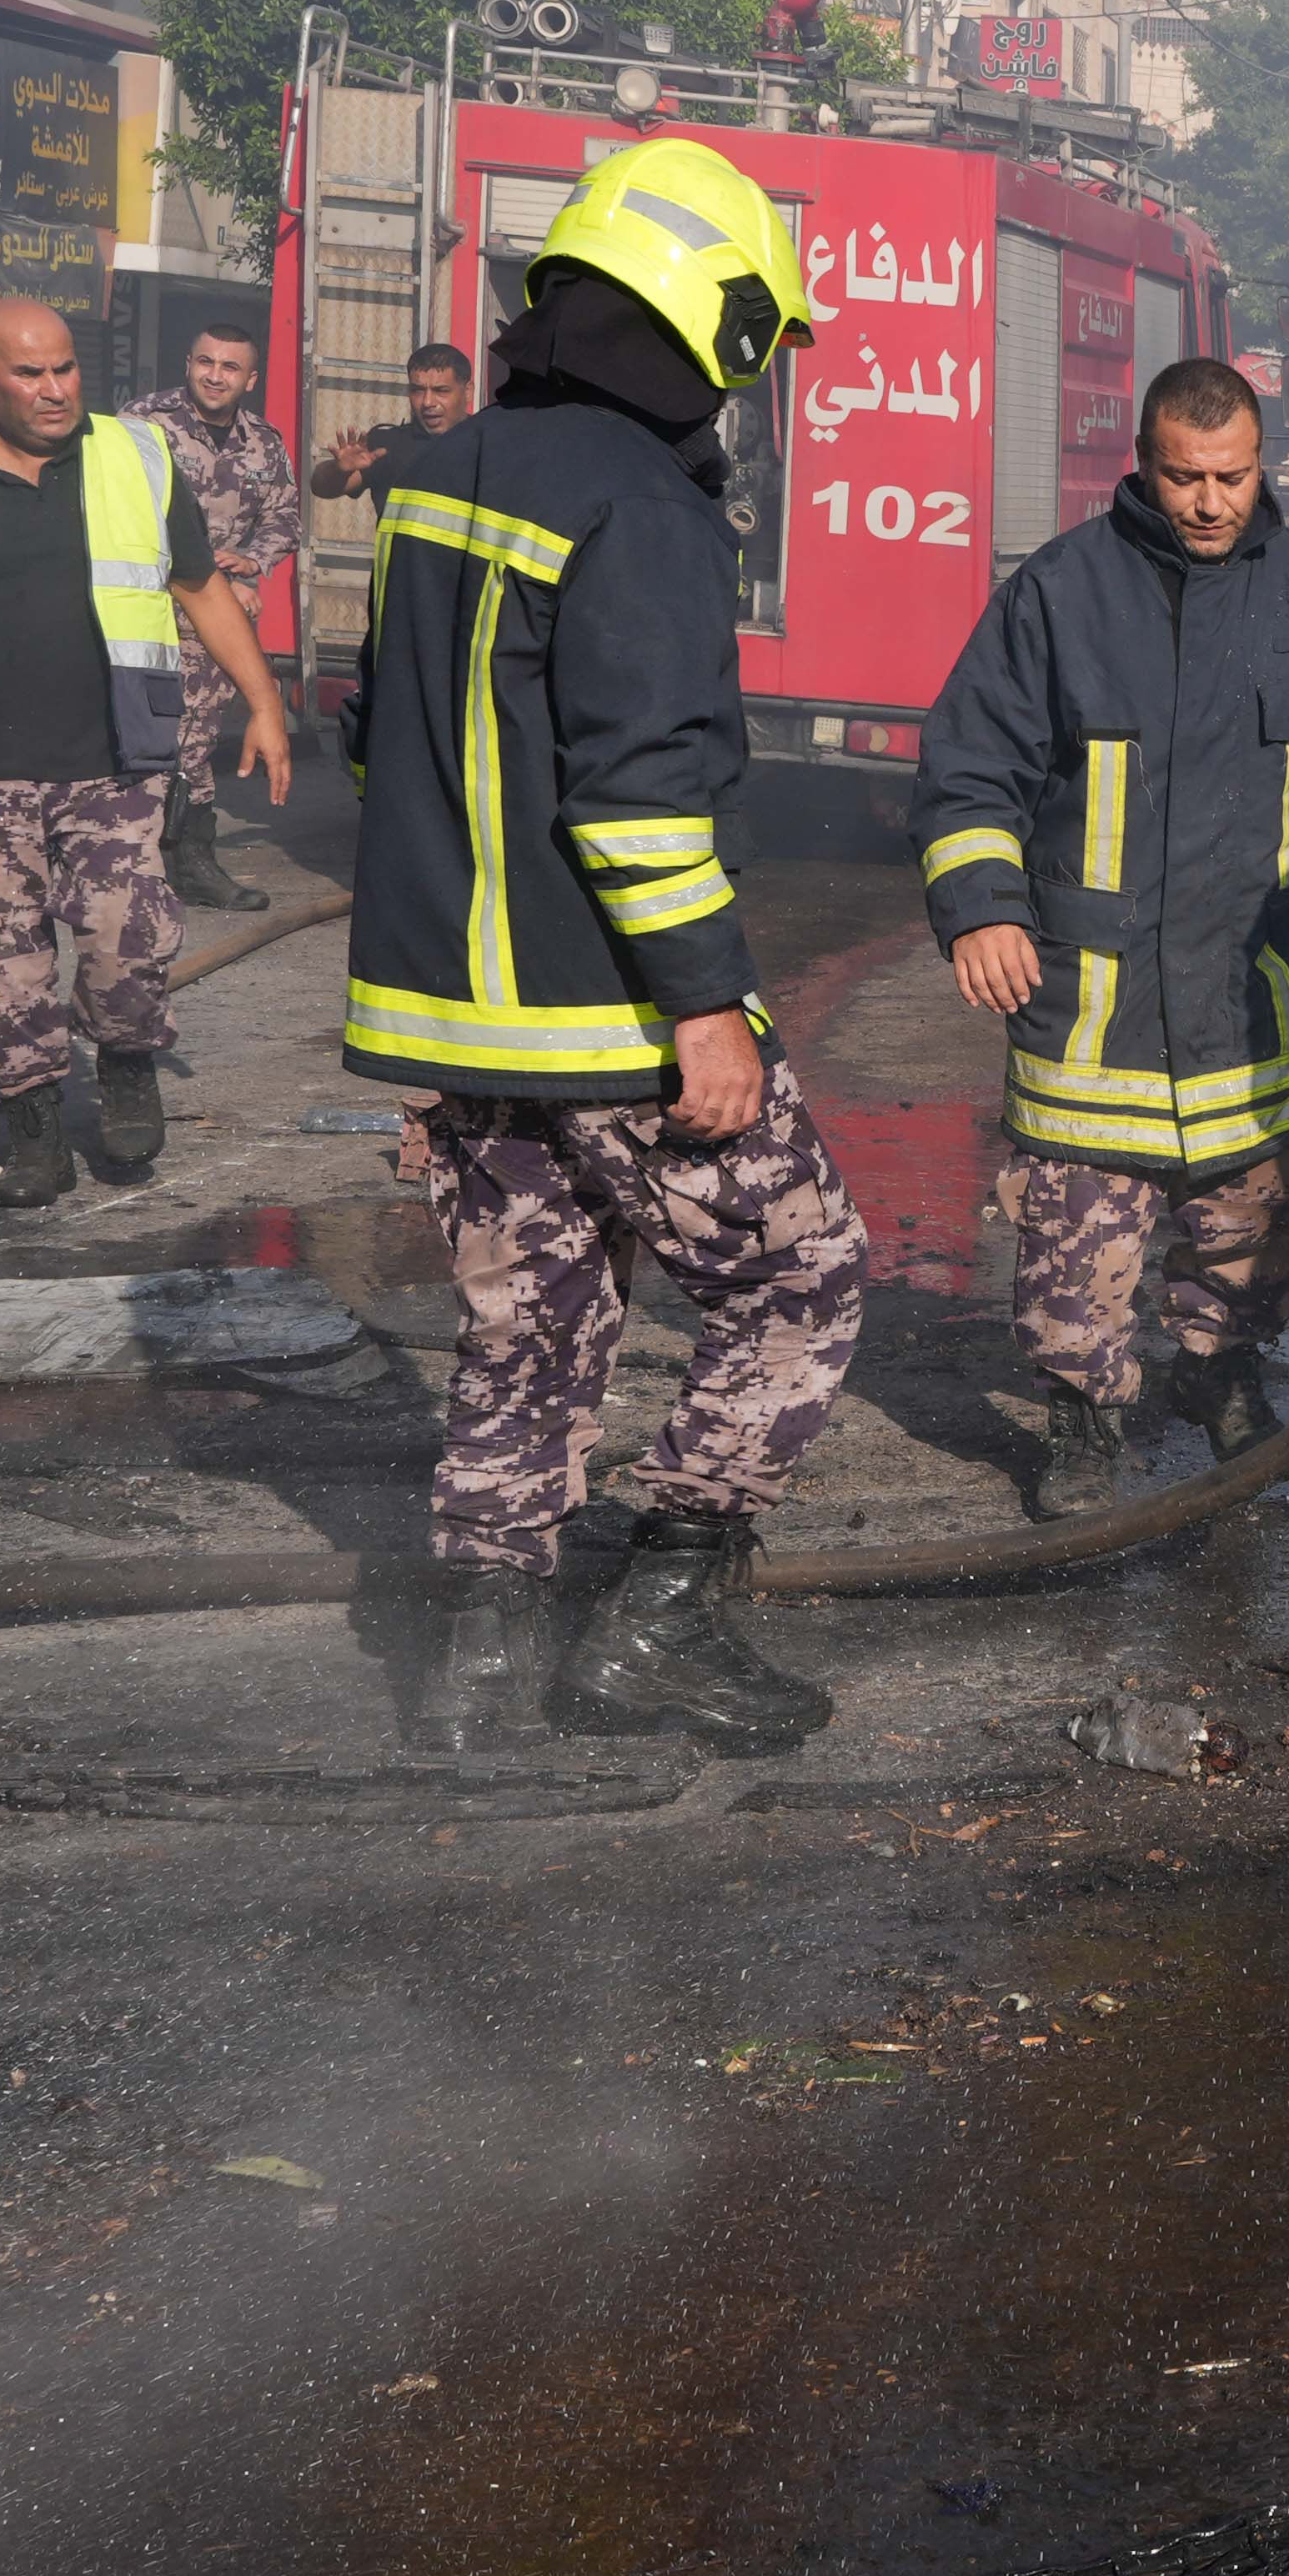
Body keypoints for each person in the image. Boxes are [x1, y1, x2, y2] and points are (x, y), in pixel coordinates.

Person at [339, 137, 866, 1757]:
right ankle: (658, 1621)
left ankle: (479, 1673)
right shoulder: (645, 505)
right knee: (803, 1278)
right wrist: (708, 1005)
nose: (755, 380)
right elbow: (641, 791)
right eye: (755, 343)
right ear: (701, 320)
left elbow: (386, 738)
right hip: (613, 1013)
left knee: (528, 1321)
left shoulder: (436, 469)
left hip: (454, 1014)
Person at [910, 359, 1289, 1519]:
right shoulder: (1062, 593)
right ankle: (1087, 1421)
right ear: (1142, 464)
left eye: (1231, 478)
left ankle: (1219, 1374)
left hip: (1259, 992)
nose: (1209, 503)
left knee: (1268, 1215)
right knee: (1076, 1234)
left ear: (1260, 466)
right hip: (1097, 997)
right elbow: (970, 767)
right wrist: (982, 908)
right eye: (1185, 478)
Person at [0, 297, 290, 1208]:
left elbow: (201, 589)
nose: (54, 390)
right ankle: (35, 1128)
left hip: (115, 762)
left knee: (128, 940)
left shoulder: (135, 456)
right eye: (29, 373)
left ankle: (125, 1065)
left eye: (66, 368)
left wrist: (265, 702)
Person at [120, 314, 304, 913]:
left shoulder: (264, 442)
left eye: (229, 367)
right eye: (205, 362)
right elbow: (116, 516)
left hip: (216, 629)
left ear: (250, 378)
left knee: (196, 742)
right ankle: (124, 863)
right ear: (188, 365)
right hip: (143, 612)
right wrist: (212, 576)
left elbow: (284, 519)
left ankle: (190, 860)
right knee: (133, 735)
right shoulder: (142, 425)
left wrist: (249, 561)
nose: (215, 376)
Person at [321, 343, 475, 505]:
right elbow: (323, 488)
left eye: (441, 391)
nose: (427, 402)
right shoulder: (386, 447)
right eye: (418, 390)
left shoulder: (487, 447)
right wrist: (339, 471)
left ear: (468, 392)